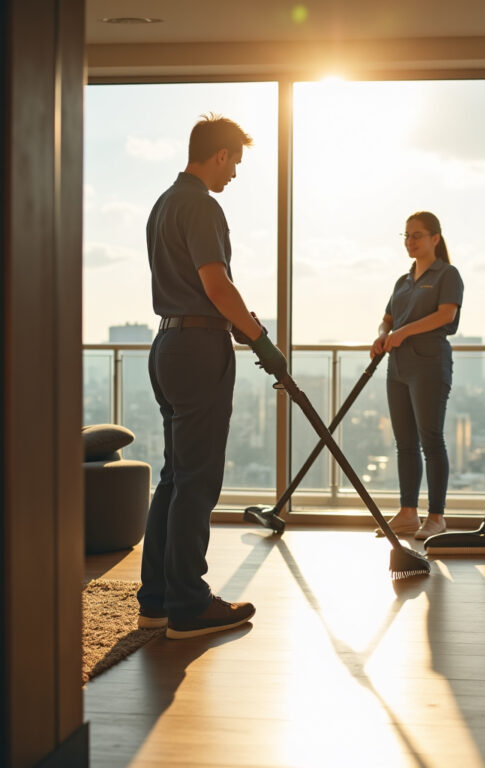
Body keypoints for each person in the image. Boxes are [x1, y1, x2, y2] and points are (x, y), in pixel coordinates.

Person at [137, 114, 287, 639]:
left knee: (175, 476)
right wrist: (259, 338)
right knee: (197, 480)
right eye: (236, 163)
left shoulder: (163, 204)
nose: (235, 175)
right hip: (199, 346)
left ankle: (155, 598)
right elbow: (216, 284)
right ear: (219, 155)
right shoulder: (201, 204)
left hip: (166, 345)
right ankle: (188, 604)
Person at [370, 212, 464, 540]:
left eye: (418, 235)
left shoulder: (447, 275)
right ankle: (408, 512)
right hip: (397, 366)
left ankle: (436, 516)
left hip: (429, 365)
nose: (410, 242)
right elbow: (387, 318)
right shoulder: (403, 280)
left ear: (435, 239)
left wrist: (403, 332)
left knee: (431, 439)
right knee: (404, 442)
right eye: (407, 236)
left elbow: (445, 315)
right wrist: (383, 334)